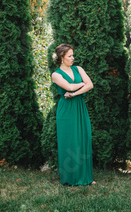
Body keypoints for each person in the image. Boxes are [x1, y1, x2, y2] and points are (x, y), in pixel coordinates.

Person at [51, 44, 95, 186]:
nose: (72, 58)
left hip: (79, 106)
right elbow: (69, 87)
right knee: (69, 141)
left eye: (72, 55)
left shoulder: (78, 69)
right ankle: (70, 178)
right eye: (69, 56)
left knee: (84, 138)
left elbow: (90, 85)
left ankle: (86, 177)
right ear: (61, 58)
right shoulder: (56, 74)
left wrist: (75, 93)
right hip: (66, 110)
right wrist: (82, 83)